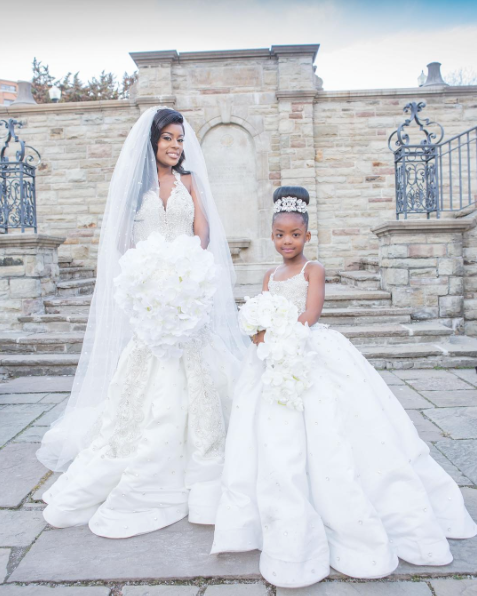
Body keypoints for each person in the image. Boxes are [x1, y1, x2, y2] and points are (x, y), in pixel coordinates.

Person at [211, 185, 477, 588]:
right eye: (280, 234)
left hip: (307, 349)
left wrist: (280, 334)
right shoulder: (269, 274)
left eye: (295, 234)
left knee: (332, 428)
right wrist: (257, 332)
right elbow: (258, 320)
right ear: (272, 236)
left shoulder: (312, 270)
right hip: (271, 357)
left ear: (307, 237)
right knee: (272, 434)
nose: (287, 241)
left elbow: (311, 314)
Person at [37, 107, 247, 538]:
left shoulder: (188, 181)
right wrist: (148, 272)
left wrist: (185, 265)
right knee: (145, 373)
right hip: (152, 294)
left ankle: (204, 460)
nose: (175, 146)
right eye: (168, 138)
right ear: (152, 141)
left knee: (199, 368)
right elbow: (121, 240)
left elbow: (203, 233)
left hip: (187, 288)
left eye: (181, 139)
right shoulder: (135, 187)